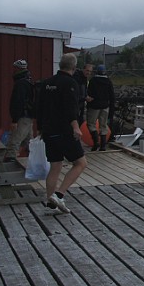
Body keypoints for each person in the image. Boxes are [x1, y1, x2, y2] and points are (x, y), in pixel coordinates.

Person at [36, 53, 88, 214]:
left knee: (55, 165)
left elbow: (39, 107)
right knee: (80, 163)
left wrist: (40, 128)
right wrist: (75, 126)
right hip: (64, 130)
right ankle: (59, 194)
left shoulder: (46, 83)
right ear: (74, 67)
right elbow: (70, 108)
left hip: (48, 131)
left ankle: (51, 201)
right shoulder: (70, 83)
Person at [6, 59, 34, 160]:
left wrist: (14, 119)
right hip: (29, 116)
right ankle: (34, 162)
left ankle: (9, 164)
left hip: (22, 117)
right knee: (29, 143)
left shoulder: (20, 84)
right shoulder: (29, 81)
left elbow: (18, 102)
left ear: (17, 69)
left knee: (14, 142)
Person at [85, 65, 115, 151]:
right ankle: (103, 146)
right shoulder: (108, 81)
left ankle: (95, 142)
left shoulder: (93, 81)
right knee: (103, 125)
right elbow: (112, 96)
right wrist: (111, 109)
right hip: (105, 106)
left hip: (94, 106)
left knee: (91, 124)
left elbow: (89, 92)